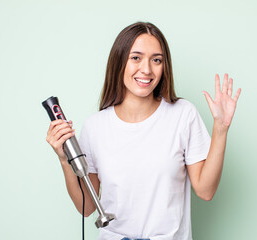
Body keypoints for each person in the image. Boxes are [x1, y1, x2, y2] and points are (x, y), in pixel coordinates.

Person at [46, 22, 241, 240]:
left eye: (156, 60)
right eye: (136, 58)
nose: (146, 69)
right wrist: (65, 160)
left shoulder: (182, 114)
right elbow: (87, 207)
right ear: (119, 61)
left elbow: (206, 191)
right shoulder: (96, 126)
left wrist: (221, 129)